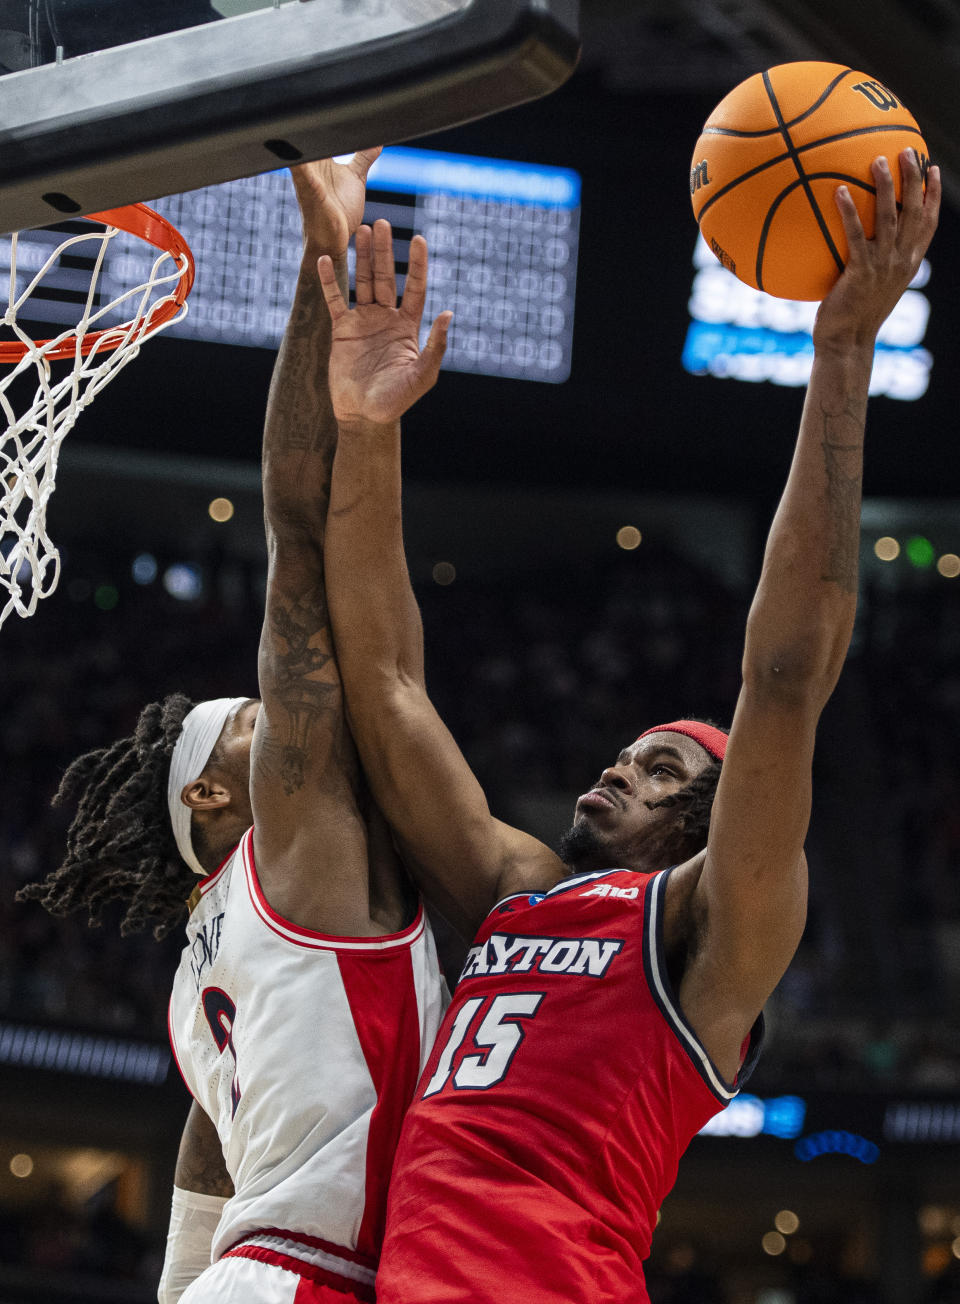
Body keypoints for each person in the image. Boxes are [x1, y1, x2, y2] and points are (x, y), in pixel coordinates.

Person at [315, 149, 940, 1303]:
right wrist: (366, 427)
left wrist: (842, 354)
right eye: (625, 753)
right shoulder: (522, 887)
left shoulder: (707, 925)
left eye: (659, 769)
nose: (618, 767)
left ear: (703, 816)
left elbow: (788, 676)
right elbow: (389, 683)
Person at [17, 151, 446, 1304]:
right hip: (315, 1277)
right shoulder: (292, 846)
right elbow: (295, 542)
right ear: (210, 793)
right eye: (258, 717)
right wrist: (327, 266)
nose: (292, 714)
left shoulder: (197, 978)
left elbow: (202, 1165)